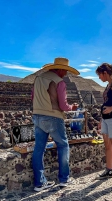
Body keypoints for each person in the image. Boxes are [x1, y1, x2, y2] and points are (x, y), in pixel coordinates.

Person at [32, 57, 79, 192]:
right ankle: (64, 179)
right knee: (63, 145)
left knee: (39, 148)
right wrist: (72, 107)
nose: (66, 74)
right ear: (59, 69)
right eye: (65, 71)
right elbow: (63, 106)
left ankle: (39, 183)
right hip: (53, 117)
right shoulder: (59, 82)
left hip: (37, 115)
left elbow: (33, 98)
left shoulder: (38, 78)